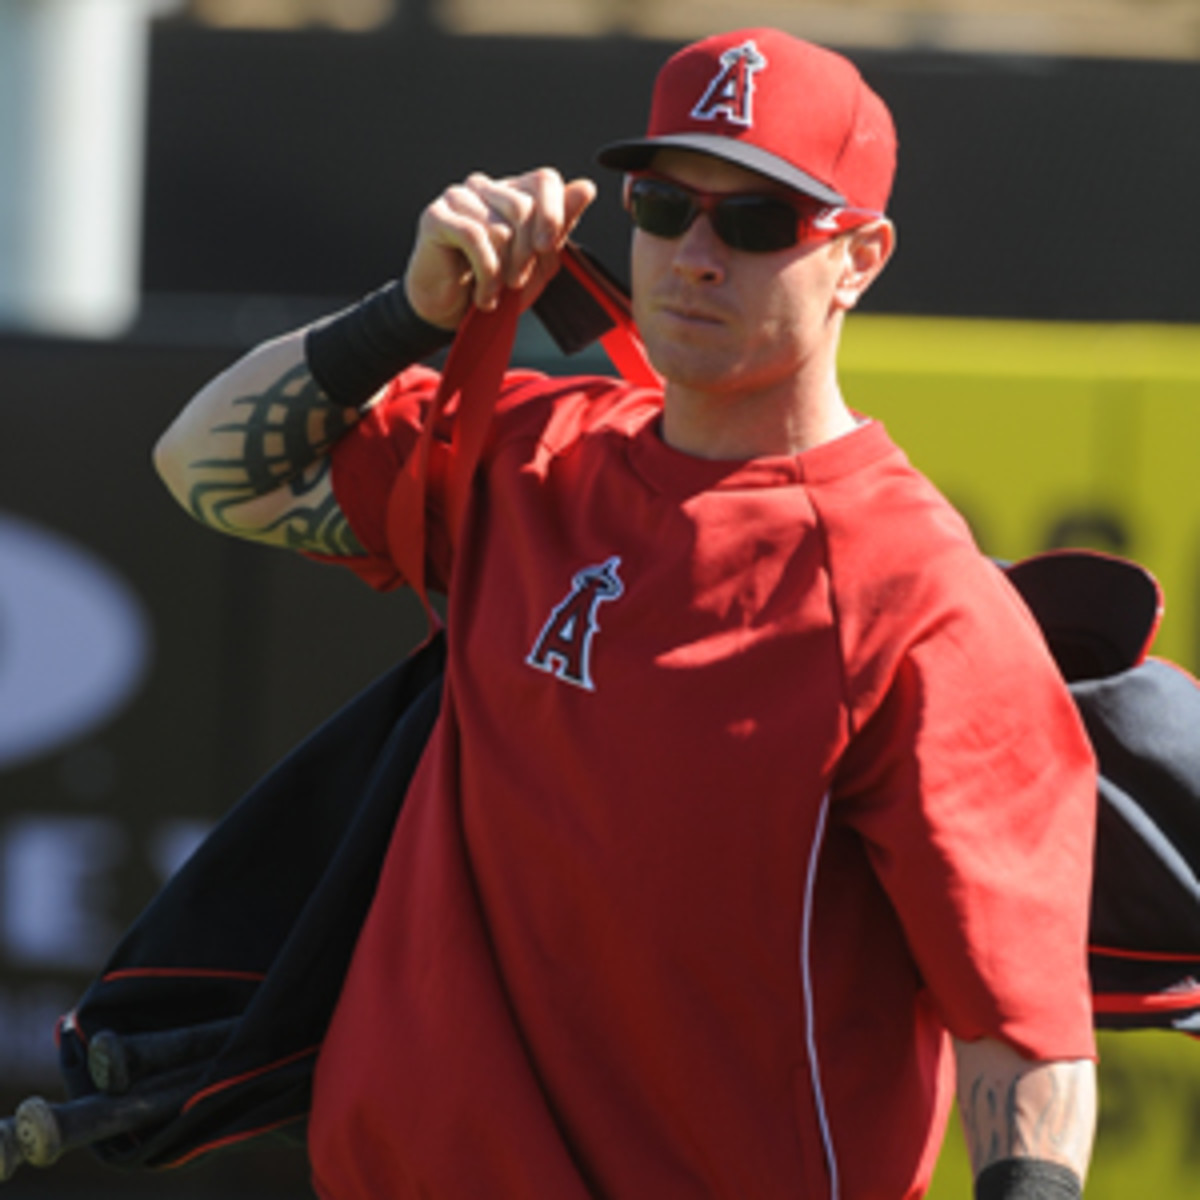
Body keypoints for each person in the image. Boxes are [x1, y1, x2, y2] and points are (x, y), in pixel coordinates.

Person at [153, 27, 1099, 1200]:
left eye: (756, 223)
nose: (697, 255)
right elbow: (206, 471)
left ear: (859, 257)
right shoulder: (528, 453)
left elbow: (1026, 1031)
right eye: (664, 208)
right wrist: (405, 312)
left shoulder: (919, 597)